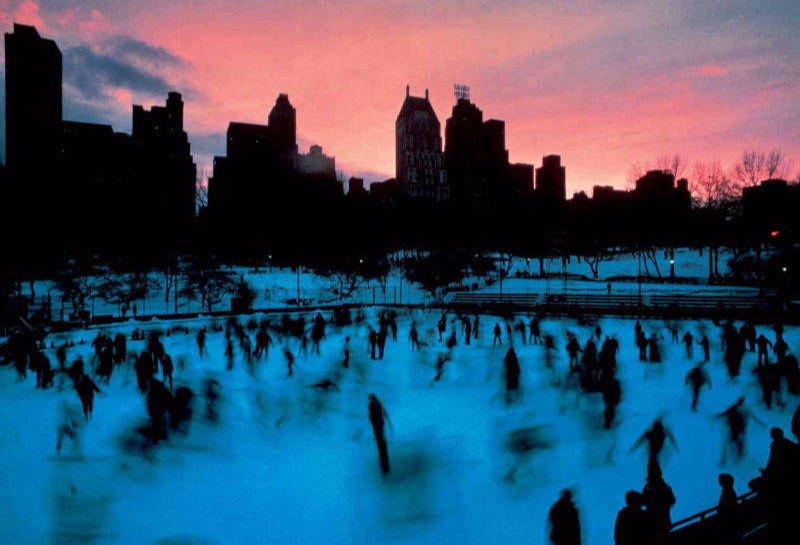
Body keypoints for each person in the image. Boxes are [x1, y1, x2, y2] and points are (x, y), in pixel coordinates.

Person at [641, 463, 675, 538]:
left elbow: (642, 502)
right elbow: (672, 500)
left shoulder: (649, 488)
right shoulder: (664, 487)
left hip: (655, 522)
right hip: (660, 522)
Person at [368, 393, 391, 475]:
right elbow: (382, 414)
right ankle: (385, 467)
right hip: (378, 426)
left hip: (378, 426)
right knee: (381, 445)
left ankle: (385, 468)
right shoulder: (375, 404)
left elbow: (373, 416)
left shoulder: (374, 405)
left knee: (381, 445)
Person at [717, 473, 739, 545]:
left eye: (721, 480)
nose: (719, 482)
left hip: (728, 521)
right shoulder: (729, 491)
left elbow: (725, 507)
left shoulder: (727, 491)